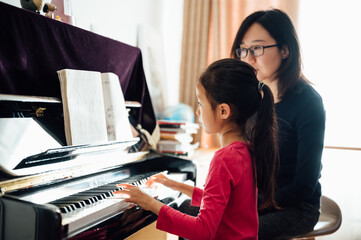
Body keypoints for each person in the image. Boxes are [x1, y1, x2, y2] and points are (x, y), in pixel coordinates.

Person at [114, 58, 279, 240]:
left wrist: (150, 203)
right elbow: (220, 203)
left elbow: (202, 230)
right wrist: (174, 185)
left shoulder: (224, 158)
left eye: (200, 103)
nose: (198, 112)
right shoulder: (246, 151)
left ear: (223, 111)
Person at [230, 9, 326, 240]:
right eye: (243, 50)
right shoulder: (253, 99)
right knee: (188, 212)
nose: (248, 58)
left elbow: (304, 185)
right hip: (255, 201)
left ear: (285, 50)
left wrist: (250, 205)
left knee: (231, 232)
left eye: (257, 48)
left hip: (297, 207)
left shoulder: (309, 103)